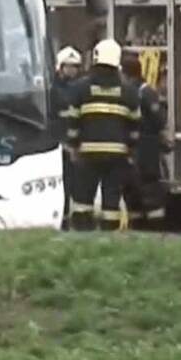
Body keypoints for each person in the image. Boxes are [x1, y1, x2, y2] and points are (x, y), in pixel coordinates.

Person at [65, 38, 141, 231]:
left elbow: (73, 121)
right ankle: (109, 237)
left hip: (87, 153)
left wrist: (73, 146)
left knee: (83, 199)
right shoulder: (129, 92)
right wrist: (131, 150)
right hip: (118, 155)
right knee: (111, 200)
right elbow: (135, 126)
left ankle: (82, 235)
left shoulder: (80, 88)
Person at [120, 52, 170, 228]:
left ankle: (138, 227)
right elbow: (159, 120)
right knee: (150, 190)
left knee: (133, 190)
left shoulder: (127, 92)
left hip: (131, 149)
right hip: (147, 149)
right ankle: (155, 228)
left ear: (124, 73)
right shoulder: (147, 92)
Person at [52, 46, 83, 227]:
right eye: (68, 66)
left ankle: (77, 220)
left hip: (77, 143)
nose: (72, 70)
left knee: (78, 185)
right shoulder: (54, 90)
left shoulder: (80, 87)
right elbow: (54, 119)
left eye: (75, 66)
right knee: (64, 184)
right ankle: (63, 220)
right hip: (61, 145)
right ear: (60, 67)